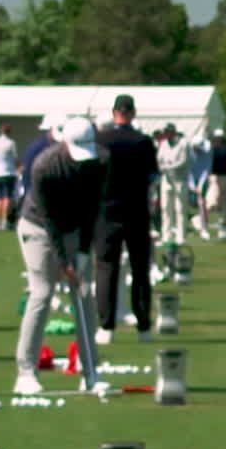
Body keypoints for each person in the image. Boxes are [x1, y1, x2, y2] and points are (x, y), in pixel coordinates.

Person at [12, 116, 104, 394]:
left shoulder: (100, 161)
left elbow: (91, 209)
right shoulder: (45, 166)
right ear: (64, 143)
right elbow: (49, 219)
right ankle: (25, 373)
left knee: (84, 295)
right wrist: (65, 264)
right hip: (38, 228)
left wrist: (85, 254)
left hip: (75, 229)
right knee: (42, 293)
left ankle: (90, 372)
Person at [92, 93, 158, 344]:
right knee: (140, 269)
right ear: (132, 113)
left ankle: (106, 325)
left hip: (106, 211)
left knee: (107, 268)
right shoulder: (142, 141)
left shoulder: (101, 140)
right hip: (136, 210)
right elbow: (152, 176)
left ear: (114, 112)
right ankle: (143, 326)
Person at [155, 123, 190, 246]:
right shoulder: (164, 144)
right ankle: (166, 236)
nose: (166, 134)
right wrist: (162, 167)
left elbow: (183, 161)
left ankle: (181, 236)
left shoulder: (183, 144)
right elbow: (159, 158)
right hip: (166, 180)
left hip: (179, 180)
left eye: (168, 131)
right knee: (166, 209)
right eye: (165, 132)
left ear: (173, 131)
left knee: (179, 209)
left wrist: (169, 166)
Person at [0, 120, 18, 231]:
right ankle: (4, 221)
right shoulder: (11, 143)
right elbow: (15, 158)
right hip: (8, 172)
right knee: (6, 198)